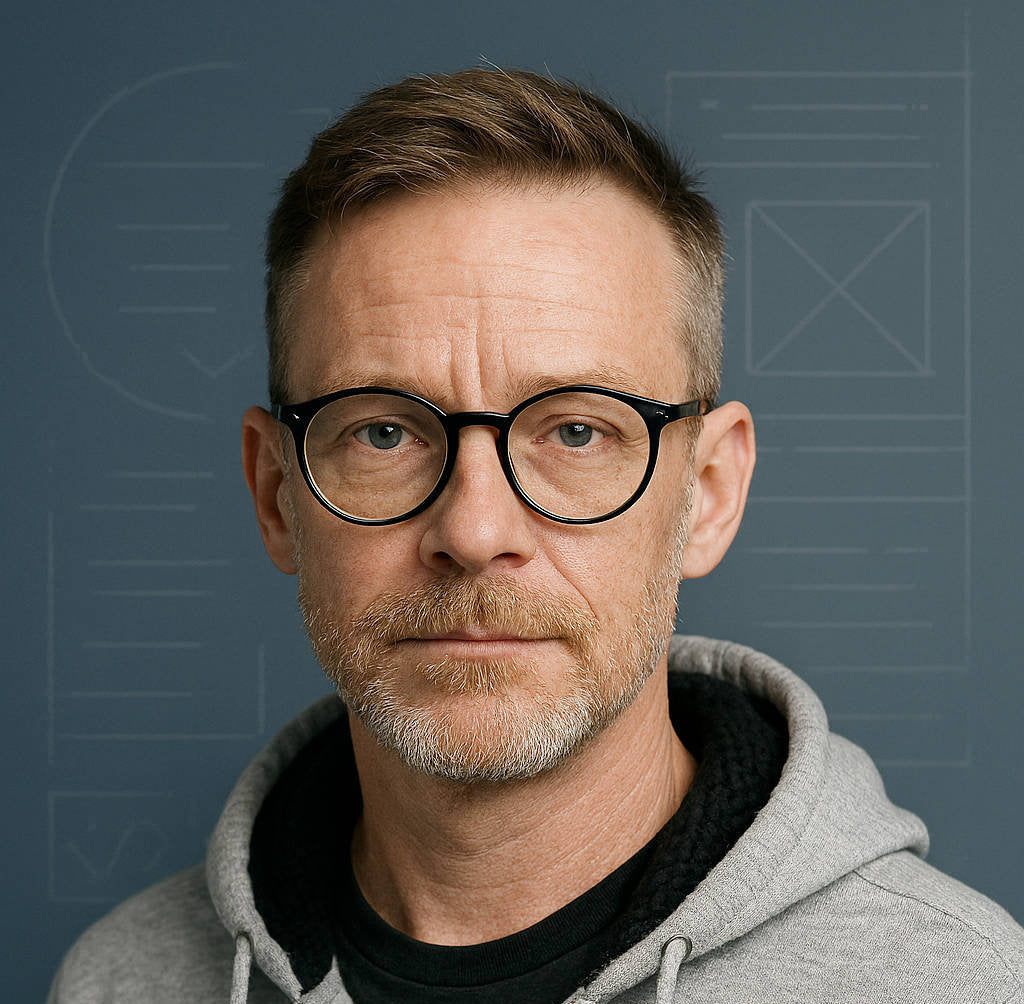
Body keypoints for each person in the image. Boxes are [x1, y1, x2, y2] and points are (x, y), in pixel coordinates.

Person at [48, 68, 1024, 1004]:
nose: (474, 529)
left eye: (575, 429)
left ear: (709, 491)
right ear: (275, 492)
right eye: (383, 430)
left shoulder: (963, 984)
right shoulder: (118, 980)